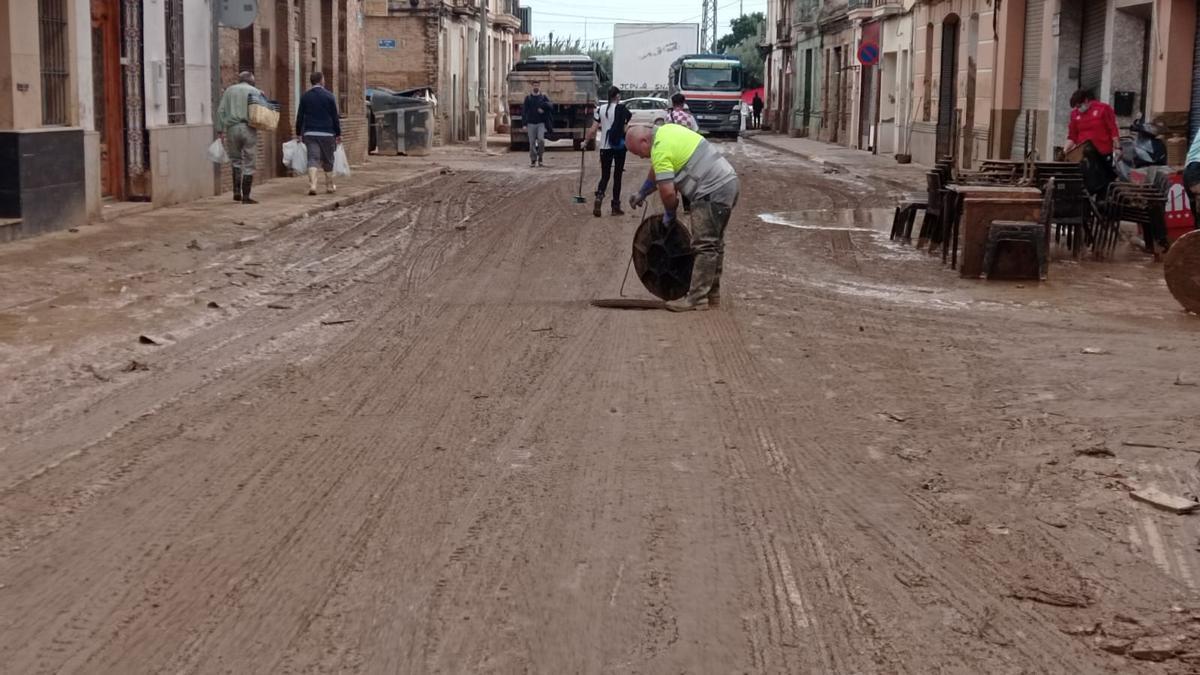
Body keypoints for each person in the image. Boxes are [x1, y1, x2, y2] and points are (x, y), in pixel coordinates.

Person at [626, 124, 739, 312]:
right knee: (715, 244)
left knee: (704, 245)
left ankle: (697, 298)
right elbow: (658, 169)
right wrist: (642, 192)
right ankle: (711, 294)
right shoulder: (667, 132)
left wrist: (670, 214)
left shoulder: (660, 149)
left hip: (711, 191)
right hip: (728, 184)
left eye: (638, 152)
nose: (640, 157)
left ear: (644, 141)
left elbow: (668, 193)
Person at [217, 71, 265, 204]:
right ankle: (246, 195)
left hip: (232, 128)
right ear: (251, 81)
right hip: (248, 128)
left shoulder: (229, 91)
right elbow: (262, 111)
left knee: (235, 160)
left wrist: (220, 130)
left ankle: (236, 191)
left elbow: (221, 110)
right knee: (250, 161)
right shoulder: (255, 91)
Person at [585, 86, 632, 217]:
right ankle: (615, 206)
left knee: (605, 175)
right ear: (617, 96)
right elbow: (625, 128)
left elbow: (593, 129)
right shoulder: (622, 110)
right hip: (619, 147)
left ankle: (599, 196)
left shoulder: (600, 109)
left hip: (605, 147)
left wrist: (585, 142)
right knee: (618, 176)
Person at [294, 71, 342, 196]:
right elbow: (334, 117)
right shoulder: (329, 96)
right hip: (327, 133)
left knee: (312, 158)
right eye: (324, 79)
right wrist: (338, 133)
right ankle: (329, 185)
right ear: (321, 81)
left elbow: (300, 117)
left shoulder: (305, 96)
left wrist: (298, 132)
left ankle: (313, 185)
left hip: (310, 133)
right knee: (328, 160)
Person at [1063, 88, 1119, 195]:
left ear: (1086, 101)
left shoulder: (1103, 109)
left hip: (1103, 153)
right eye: (1076, 107)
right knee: (1088, 182)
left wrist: (1117, 147)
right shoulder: (1075, 115)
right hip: (1085, 155)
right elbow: (1072, 136)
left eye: (1079, 106)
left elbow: (1113, 129)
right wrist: (1065, 151)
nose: (1078, 109)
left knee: (1104, 182)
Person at [523, 80, 553, 167]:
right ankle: (533, 160)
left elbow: (551, 106)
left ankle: (540, 158)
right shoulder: (528, 98)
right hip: (530, 124)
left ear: (540, 86)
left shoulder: (543, 97)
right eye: (534, 85)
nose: (536, 87)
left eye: (537, 85)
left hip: (541, 123)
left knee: (541, 140)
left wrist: (544, 108)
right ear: (532, 86)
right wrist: (524, 124)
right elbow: (524, 111)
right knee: (532, 142)